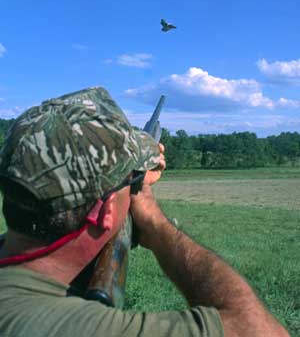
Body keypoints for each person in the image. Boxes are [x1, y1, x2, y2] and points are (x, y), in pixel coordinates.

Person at [0, 87, 289, 337]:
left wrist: (125, 185)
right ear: (106, 212)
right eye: (132, 180)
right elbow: (261, 330)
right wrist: (155, 222)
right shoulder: (73, 327)